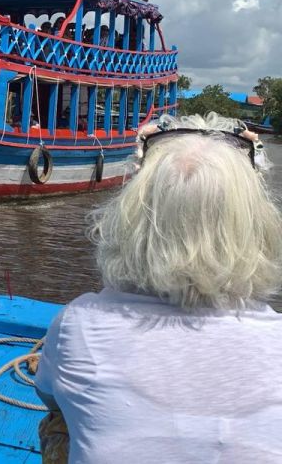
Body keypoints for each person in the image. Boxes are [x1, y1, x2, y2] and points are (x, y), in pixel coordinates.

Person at [35, 112, 282, 464]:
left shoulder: (79, 322)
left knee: (59, 421)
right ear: (254, 224)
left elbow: (49, 395)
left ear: (133, 215)